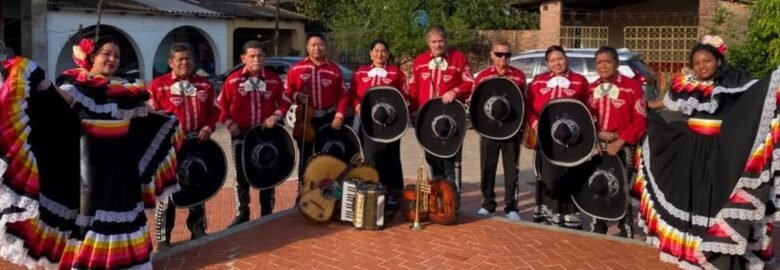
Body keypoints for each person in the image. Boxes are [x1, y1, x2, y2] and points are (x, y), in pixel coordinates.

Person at [0, 35, 182, 269]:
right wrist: (36, 81)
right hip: (91, 171)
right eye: (106, 53)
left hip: (122, 171)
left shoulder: (126, 92)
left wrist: (166, 120)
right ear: (92, 56)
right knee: (91, 222)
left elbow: (145, 118)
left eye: (116, 55)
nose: (112, 59)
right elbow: (50, 107)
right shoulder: (74, 88)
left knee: (124, 218)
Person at [634, 36, 778, 269]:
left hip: (721, 151)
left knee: (718, 198)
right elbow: (671, 103)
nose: (702, 66)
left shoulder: (735, 82)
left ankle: (721, 251)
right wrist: (647, 106)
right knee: (692, 195)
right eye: (697, 62)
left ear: (719, 60)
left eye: (707, 61)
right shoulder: (686, 83)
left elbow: (755, 103)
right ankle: (694, 247)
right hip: (690, 149)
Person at [148, 42, 220, 248]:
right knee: (167, 194)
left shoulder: (204, 85)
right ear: (170, 62)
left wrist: (208, 127)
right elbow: (150, 115)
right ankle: (163, 239)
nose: (184, 62)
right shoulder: (157, 86)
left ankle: (198, 230)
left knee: (198, 185)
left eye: (188, 58)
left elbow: (214, 112)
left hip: (197, 143)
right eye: (180, 59)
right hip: (169, 148)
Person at [219, 41, 289, 227]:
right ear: (243, 59)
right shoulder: (232, 80)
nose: (256, 59)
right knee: (242, 175)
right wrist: (229, 123)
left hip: (266, 135)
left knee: (268, 172)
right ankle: (243, 212)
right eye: (252, 56)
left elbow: (284, 102)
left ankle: (267, 212)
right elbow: (220, 106)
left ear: (265, 58)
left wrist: (276, 115)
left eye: (259, 56)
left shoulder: (274, 80)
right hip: (241, 134)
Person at [408, 25, 475, 209]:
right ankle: (438, 200)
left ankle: (453, 202)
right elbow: (414, 89)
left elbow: (470, 82)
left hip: (450, 121)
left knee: (451, 161)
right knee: (432, 159)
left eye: (440, 41)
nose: (437, 45)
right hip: (427, 119)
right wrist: (413, 114)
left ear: (446, 41)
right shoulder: (420, 61)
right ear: (428, 43)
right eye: (433, 41)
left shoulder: (458, 58)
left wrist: (455, 90)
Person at [526, 45, 590, 229]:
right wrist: (535, 124)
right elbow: (529, 108)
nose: (557, 63)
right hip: (545, 139)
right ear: (547, 64)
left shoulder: (580, 82)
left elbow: (588, 108)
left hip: (571, 141)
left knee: (568, 175)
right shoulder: (538, 82)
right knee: (547, 176)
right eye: (552, 60)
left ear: (566, 59)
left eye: (560, 59)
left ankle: (568, 217)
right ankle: (548, 213)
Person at [586, 46, 646, 237]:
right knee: (597, 184)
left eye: (607, 61)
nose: (603, 66)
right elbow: (587, 118)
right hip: (598, 147)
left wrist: (619, 141)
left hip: (623, 146)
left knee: (622, 189)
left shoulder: (632, 87)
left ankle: (625, 228)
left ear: (617, 63)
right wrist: (594, 140)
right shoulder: (592, 88)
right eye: (599, 62)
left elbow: (641, 120)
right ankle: (598, 226)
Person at [284, 33, 349, 201]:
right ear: (307, 48)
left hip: (328, 119)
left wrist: (339, 115)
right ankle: (303, 196)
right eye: (313, 45)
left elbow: (343, 95)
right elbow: (286, 92)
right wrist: (297, 96)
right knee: (306, 159)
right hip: (305, 120)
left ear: (325, 46)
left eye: (320, 44)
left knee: (330, 156)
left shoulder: (334, 69)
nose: (317, 48)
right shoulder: (297, 69)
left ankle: (331, 198)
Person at [349, 39, 408, 211]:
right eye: (376, 51)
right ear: (370, 53)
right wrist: (357, 105)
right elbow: (352, 93)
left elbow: (404, 96)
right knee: (371, 156)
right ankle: (373, 191)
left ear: (387, 54)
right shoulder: (360, 73)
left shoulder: (396, 73)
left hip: (390, 123)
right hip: (367, 123)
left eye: (383, 51)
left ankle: (394, 195)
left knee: (391, 157)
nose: (379, 54)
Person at [472, 39, 526, 221]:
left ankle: (512, 206)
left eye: (507, 55)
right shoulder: (482, 77)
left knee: (512, 169)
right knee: (488, 168)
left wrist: (522, 128)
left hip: (511, 131)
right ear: (492, 55)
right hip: (489, 130)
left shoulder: (519, 76)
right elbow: (475, 104)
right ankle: (488, 204)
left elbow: (523, 103)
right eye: (499, 54)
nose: (503, 58)